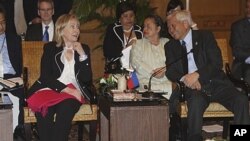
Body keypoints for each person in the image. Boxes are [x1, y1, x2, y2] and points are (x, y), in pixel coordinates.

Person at [165, 10, 250, 141]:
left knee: (241, 100)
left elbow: (216, 63)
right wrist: (187, 79)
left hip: (215, 83)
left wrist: (197, 75)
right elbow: (170, 71)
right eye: (168, 26)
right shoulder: (170, 46)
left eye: (173, 25)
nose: (170, 30)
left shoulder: (205, 36)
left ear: (185, 24)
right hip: (192, 89)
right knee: (196, 101)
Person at [26, 14, 93, 141]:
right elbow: (45, 76)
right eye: (72, 26)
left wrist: (83, 55)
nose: (76, 30)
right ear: (61, 30)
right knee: (44, 113)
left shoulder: (84, 49)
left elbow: (86, 79)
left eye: (78, 27)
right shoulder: (51, 48)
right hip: (50, 88)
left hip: (72, 95)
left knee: (66, 110)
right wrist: (66, 89)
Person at [130, 14, 172, 98]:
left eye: (148, 26)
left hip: (167, 82)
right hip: (147, 84)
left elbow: (174, 61)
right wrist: (154, 73)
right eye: (144, 26)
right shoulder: (138, 44)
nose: (145, 29)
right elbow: (136, 63)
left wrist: (164, 71)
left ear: (158, 29)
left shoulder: (167, 42)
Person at [0, 4, 25, 139]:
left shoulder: (13, 39)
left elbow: (21, 62)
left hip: (11, 77)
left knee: (23, 92)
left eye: (3, 22)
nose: (1, 26)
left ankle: (18, 130)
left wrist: (21, 73)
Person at [103, 0, 143, 74]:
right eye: (125, 16)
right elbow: (108, 53)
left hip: (138, 71)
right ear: (119, 18)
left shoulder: (140, 31)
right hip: (118, 71)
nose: (129, 18)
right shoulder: (112, 29)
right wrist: (127, 48)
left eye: (131, 15)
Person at [229, 0, 250, 85]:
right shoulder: (238, 26)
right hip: (244, 65)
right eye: (247, 7)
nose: (248, 10)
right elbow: (237, 51)